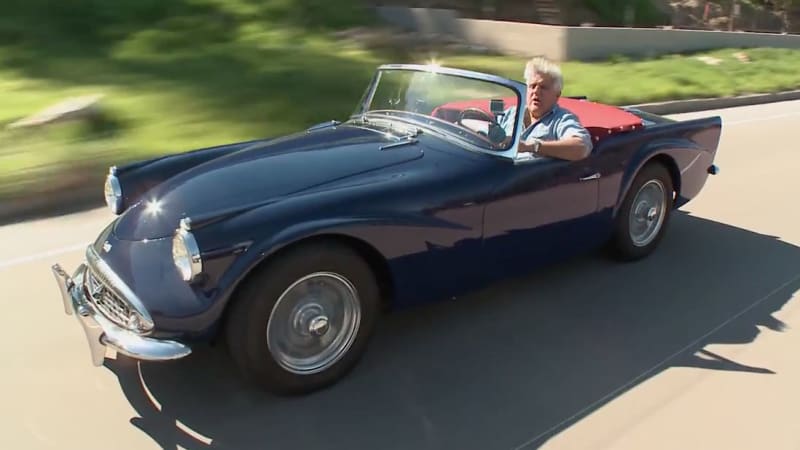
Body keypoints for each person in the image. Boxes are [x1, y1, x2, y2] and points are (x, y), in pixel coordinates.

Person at [497, 57, 593, 161]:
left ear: (557, 95)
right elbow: (486, 129)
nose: (536, 92)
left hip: (532, 175)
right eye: (532, 86)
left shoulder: (561, 119)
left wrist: (532, 146)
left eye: (543, 87)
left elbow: (581, 147)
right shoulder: (511, 113)